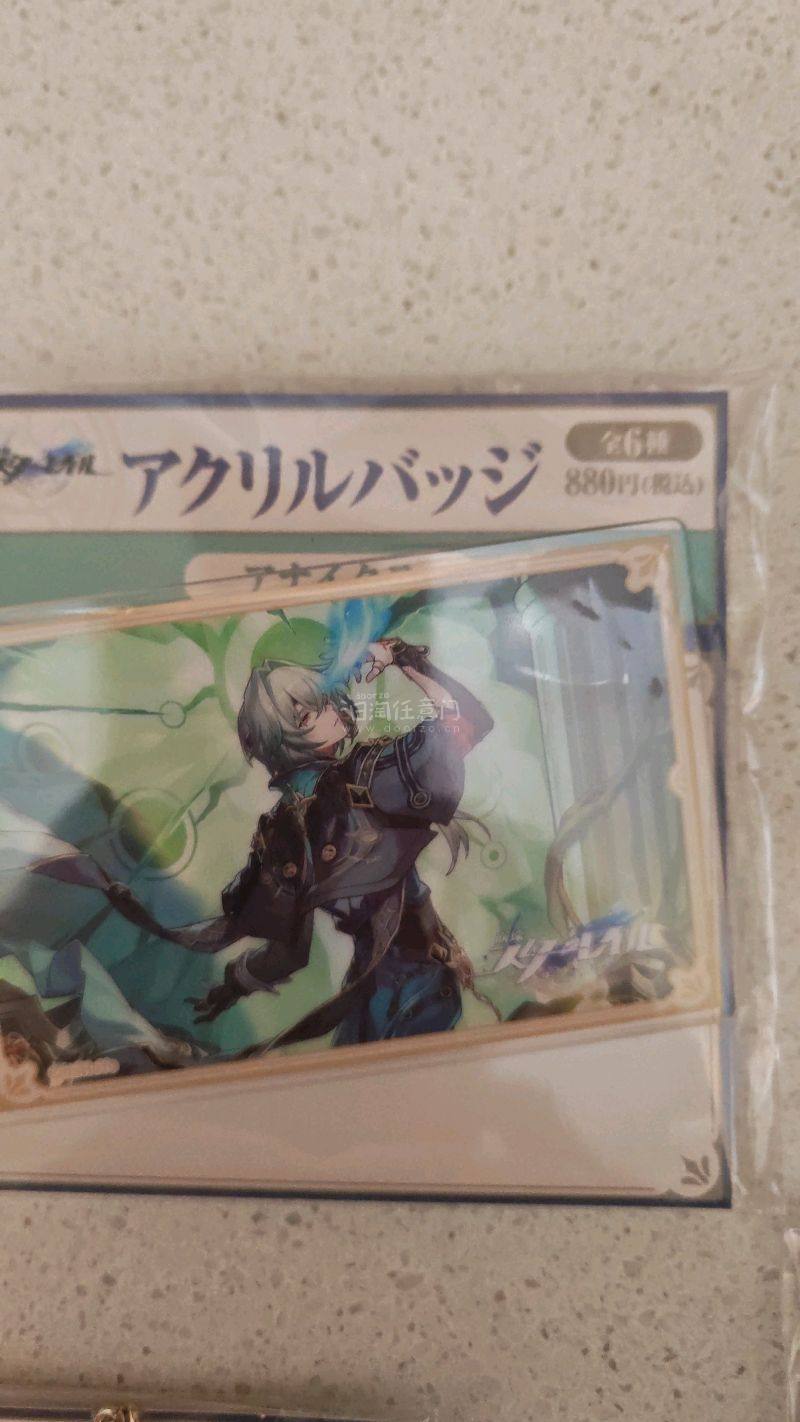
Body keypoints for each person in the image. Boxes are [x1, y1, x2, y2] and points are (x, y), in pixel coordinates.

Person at [188, 636, 495, 1049]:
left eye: (325, 701)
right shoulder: (367, 778)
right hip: (410, 985)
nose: (333, 709)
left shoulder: (279, 832)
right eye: (312, 710)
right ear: (290, 733)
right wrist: (404, 658)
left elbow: (287, 954)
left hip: (374, 993)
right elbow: (467, 721)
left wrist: (232, 986)